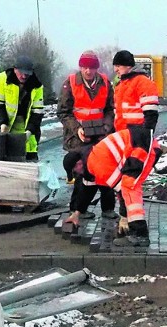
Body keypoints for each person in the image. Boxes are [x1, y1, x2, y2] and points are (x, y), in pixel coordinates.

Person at [64, 126, 162, 247]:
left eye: (74, 171)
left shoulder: (98, 165)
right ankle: (137, 231)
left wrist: (124, 217)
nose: (76, 174)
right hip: (139, 143)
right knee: (129, 186)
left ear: (78, 163)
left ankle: (140, 235)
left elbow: (121, 190)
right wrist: (77, 214)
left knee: (129, 187)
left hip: (142, 145)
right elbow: (87, 190)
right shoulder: (90, 161)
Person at [57, 50, 117, 219]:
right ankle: (77, 210)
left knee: (105, 169)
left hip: (101, 135)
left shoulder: (105, 83)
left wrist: (106, 127)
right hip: (78, 137)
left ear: (96, 68)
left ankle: (108, 209)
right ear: (80, 67)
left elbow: (109, 110)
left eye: (91, 68)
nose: (88, 71)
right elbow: (63, 112)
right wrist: (77, 129)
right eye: (85, 67)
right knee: (81, 172)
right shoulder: (70, 83)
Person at [0, 55, 44, 160]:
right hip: (7, 127)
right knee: (6, 160)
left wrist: (29, 131)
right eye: (21, 73)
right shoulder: (3, 79)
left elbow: (37, 113)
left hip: (28, 130)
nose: (24, 76)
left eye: (27, 74)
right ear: (15, 69)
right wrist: (2, 123)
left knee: (30, 160)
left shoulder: (37, 86)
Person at [112, 50, 159, 135]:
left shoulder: (143, 82)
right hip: (122, 136)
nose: (115, 69)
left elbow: (151, 115)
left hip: (137, 137)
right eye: (114, 66)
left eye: (118, 66)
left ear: (128, 66)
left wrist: (146, 138)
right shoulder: (120, 86)